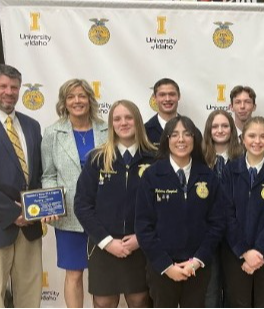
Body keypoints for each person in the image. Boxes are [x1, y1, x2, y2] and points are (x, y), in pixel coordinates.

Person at [135, 116, 225, 308]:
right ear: (166, 140)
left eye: (187, 134)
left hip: (197, 268)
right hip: (162, 268)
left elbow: (217, 223)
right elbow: (143, 226)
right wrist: (166, 266)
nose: (181, 139)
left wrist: (198, 260)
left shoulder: (208, 176)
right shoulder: (152, 176)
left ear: (195, 139)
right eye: (174, 134)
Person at [74, 100, 156, 308]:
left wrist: (141, 237)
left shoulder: (155, 160)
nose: (123, 123)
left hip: (141, 245)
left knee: (139, 300)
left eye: (129, 117)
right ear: (111, 124)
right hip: (104, 246)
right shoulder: (97, 159)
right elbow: (82, 205)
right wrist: (107, 241)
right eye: (117, 119)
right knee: (104, 302)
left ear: (137, 121)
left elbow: (164, 207)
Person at [41, 79, 108, 308]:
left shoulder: (107, 130)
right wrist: (50, 203)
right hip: (68, 215)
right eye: (71, 97)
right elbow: (48, 174)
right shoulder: (52, 133)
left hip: (103, 215)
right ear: (64, 102)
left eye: (82, 96)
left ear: (90, 99)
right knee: (74, 275)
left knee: (104, 277)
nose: (77, 101)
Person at [222, 116, 264, 308]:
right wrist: (244, 251)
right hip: (235, 252)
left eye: (263, 136)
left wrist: (259, 251)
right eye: (252, 135)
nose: (257, 141)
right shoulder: (231, 170)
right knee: (238, 302)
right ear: (243, 139)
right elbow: (226, 213)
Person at [0, 64, 43, 308]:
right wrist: (13, 211)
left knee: (29, 294)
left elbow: (36, 176)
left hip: (30, 226)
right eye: (3, 86)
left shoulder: (31, 125)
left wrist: (35, 208)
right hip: (1, 222)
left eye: (14, 87)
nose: (9, 92)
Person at [202, 110, 243, 308]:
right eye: (215, 126)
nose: (220, 130)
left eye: (225, 126)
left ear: (232, 129)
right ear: (209, 130)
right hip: (207, 234)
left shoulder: (244, 156)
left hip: (236, 234)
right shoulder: (199, 158)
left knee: (235, 289)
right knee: (209, 290)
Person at [145, 78, 202, 147]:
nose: (167, 99)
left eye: (172, 94)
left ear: (179, 96)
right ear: (154, 98)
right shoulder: (144, 132)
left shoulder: (192, 130)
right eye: (162, 95)